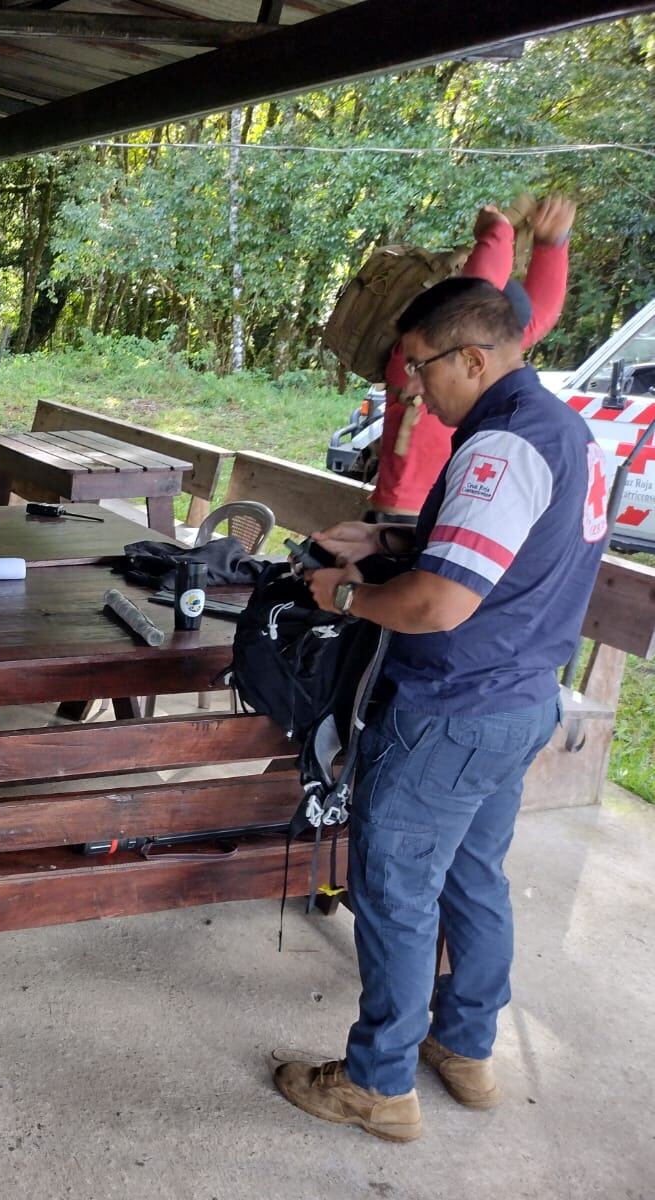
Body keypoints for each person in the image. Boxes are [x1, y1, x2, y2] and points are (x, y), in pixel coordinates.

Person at [274, 278, 609, 1141]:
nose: (414, 390)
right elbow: (503, 555)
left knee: (393, 892)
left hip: (451, 710)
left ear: (473, 356)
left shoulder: (499, 449)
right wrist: (382, 539)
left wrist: (343, 594)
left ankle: (377, 1085)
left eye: (420, 369)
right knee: (472, 881)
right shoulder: (566, 431)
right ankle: (464, 1046)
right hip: (519, 701)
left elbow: (437, 605)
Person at [371, 195, 577, 519]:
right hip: (405, 513)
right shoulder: (421, 356)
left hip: (451, 509)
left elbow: (539, 311)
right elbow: (475, 295)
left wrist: (549, 244)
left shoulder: (484, 356)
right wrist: (499, 233)